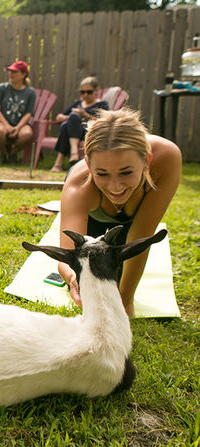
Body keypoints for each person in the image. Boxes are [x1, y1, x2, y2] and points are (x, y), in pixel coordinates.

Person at [57, 108, 181, 317]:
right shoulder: (79, 187)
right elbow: (68, 255)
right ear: (88, 164)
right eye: (102, 174)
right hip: (94, 216)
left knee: (118, 277)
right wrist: (73, 278)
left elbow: (142, 233)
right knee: (92, 269)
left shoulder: (167, 158)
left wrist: (125, 300)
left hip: (131, 221)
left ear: (146, 161)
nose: (115, 187)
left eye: (126, 172)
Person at [51, 76, 109, 172]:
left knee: (68, 123)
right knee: (68, 123)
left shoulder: (102, 104)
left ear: (96, 91)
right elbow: (59, 117)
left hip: (89, 133)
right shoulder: (79, 103)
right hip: (73, 132)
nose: (85, 95)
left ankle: (59, 162)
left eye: (89, 92)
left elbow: (105, 122)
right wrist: (74, 117)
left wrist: (85, 115)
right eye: (82, 92)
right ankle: (73, 154)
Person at [0, 60, 36, 165]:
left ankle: (13, 154)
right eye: (10, 71)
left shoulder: (30, 92)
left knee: (27, 133)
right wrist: (7, 126)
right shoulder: (2, 88)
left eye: (15, 72)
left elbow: (28, 114)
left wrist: (17, 128)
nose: (11, 74)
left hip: (21, 124)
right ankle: (2, 154)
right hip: (3, 122)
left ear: (23, 74)